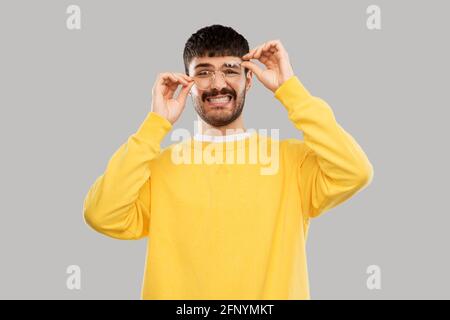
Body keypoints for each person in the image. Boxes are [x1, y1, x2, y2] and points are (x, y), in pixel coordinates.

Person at [83, 24, 374, 300]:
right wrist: (155, 124)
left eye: (230, 71)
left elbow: (355, 171)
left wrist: (290, 89)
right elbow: (101, 214)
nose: (218, 84)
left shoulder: (291, 162)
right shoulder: (156, 168)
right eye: (204, 72)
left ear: (250, 79)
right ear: (188, 83)